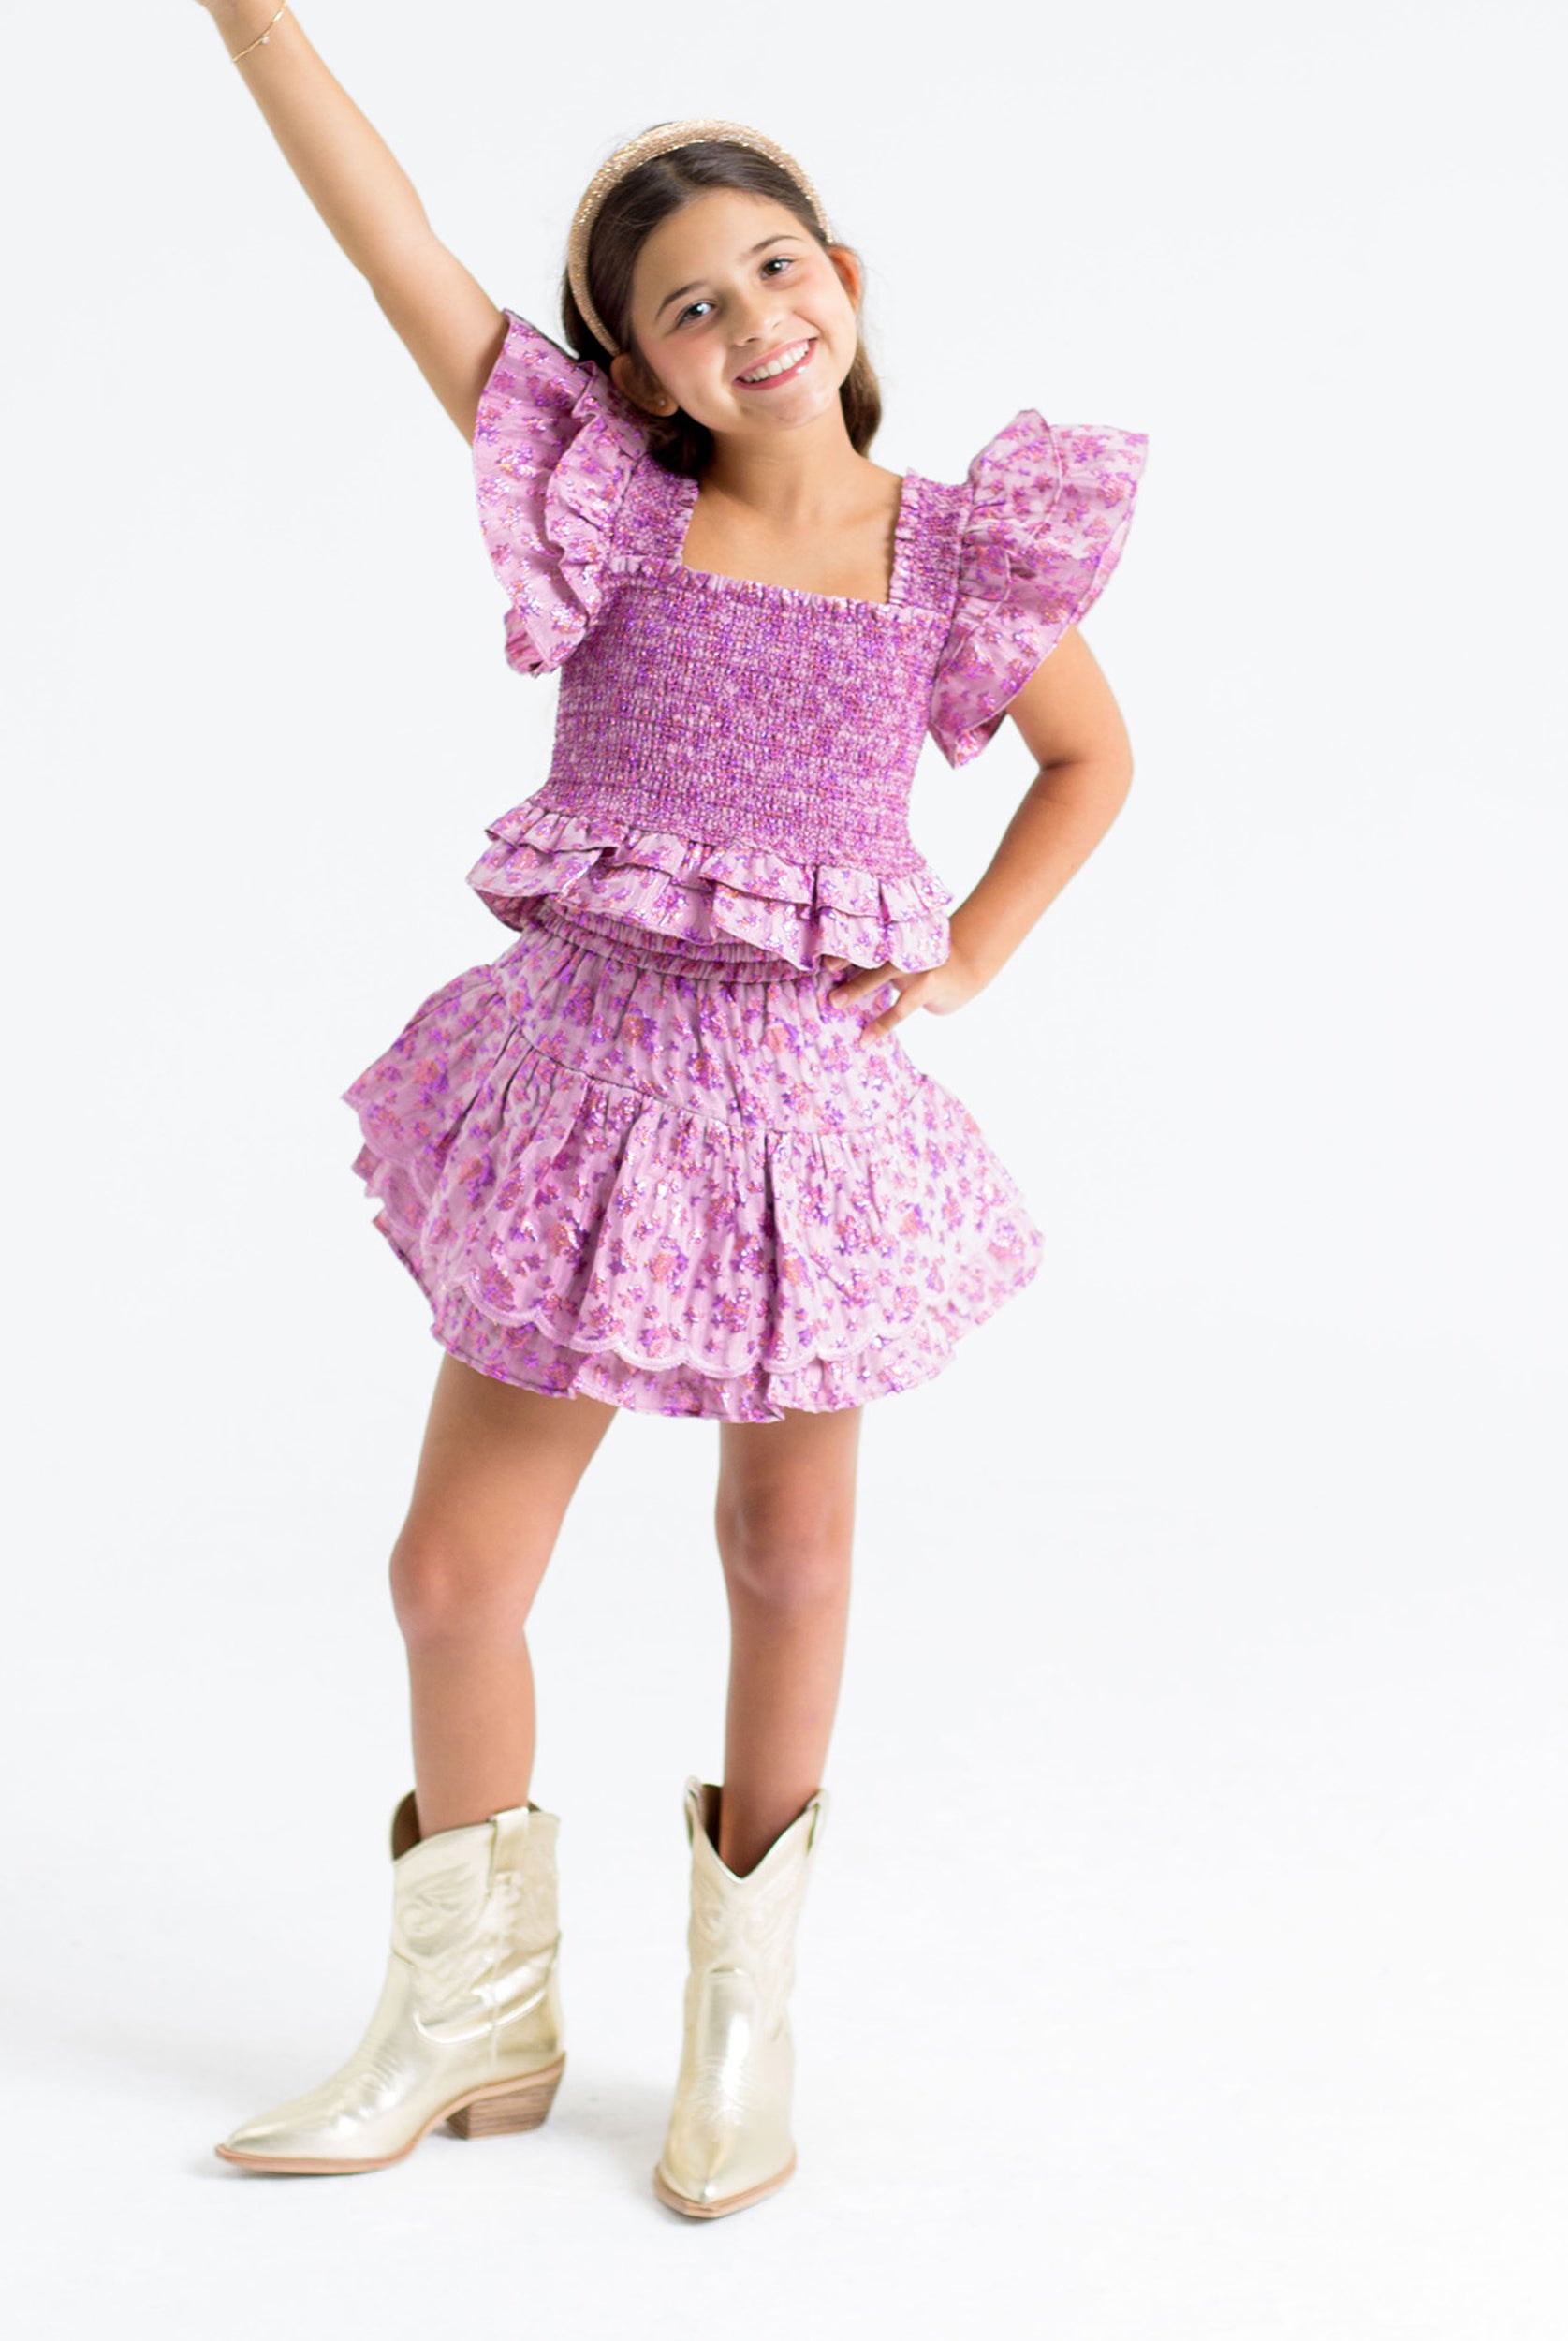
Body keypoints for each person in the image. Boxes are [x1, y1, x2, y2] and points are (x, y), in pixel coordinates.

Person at [195, 1, 1149, 2219]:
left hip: (799, 1114)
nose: (750, 319)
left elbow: (1092, 759)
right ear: (629, 372)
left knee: (784, 1551)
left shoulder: (954, 558)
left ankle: (742, 2024)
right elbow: (393, 242)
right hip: (586, 1083)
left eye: (774, 268)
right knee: (452, 1570)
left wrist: (967, 953)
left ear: (842, 278)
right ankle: (468, 2012)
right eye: (688, 307)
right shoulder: (606, 509)